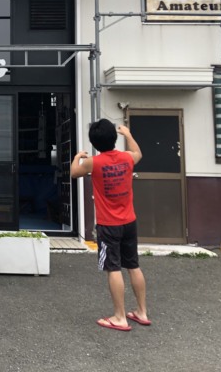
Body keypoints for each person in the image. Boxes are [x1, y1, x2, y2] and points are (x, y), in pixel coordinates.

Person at [70, 119, 150, 331]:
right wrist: (128, 134)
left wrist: (78, 156)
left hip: (108, 224)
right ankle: (142, 312)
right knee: (133, 266)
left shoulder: (94, 162)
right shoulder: (127, 158)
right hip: (129, 221)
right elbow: (138, 153)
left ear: (94, 143)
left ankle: (119, 317)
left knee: (113, 268)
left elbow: (74, 172)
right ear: (114, 138)